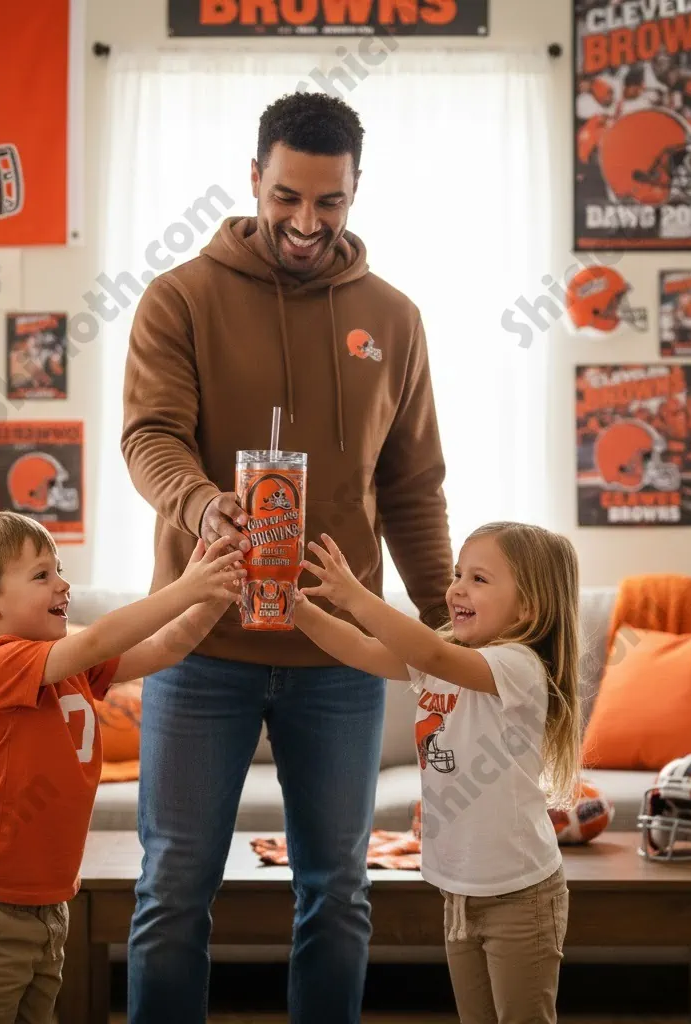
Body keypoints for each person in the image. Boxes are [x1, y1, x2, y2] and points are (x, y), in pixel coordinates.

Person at [121, 91, 453, 1022]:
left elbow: (414, 487)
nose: (306, 222)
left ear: (355, 192)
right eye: (288, 198)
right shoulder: (180, 297)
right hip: (200, 642)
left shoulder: (394, 318)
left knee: (339, 893)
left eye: (330, 202)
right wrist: (200, 502)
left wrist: (443, 629)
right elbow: (150, 435)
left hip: (339, 654)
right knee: (175, 890)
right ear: (255, 178)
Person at [0, 511, 244, 1024]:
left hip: (49, 904)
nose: (63, 584)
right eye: (42, 575)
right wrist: (185, 587)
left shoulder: (65, 662)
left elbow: (166, 647)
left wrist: (213, 597)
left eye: (60, 569)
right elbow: (97, 641)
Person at [295, 522, 582, 1024]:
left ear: (529, 607)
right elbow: (361, 651)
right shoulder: (449, 659)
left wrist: (354, 594)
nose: (456, 589)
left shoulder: (519, 666)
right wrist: (293, 607)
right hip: (459, 890)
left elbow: (429, 652)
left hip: (520, 895)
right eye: (457, 574)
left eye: (479, 579)